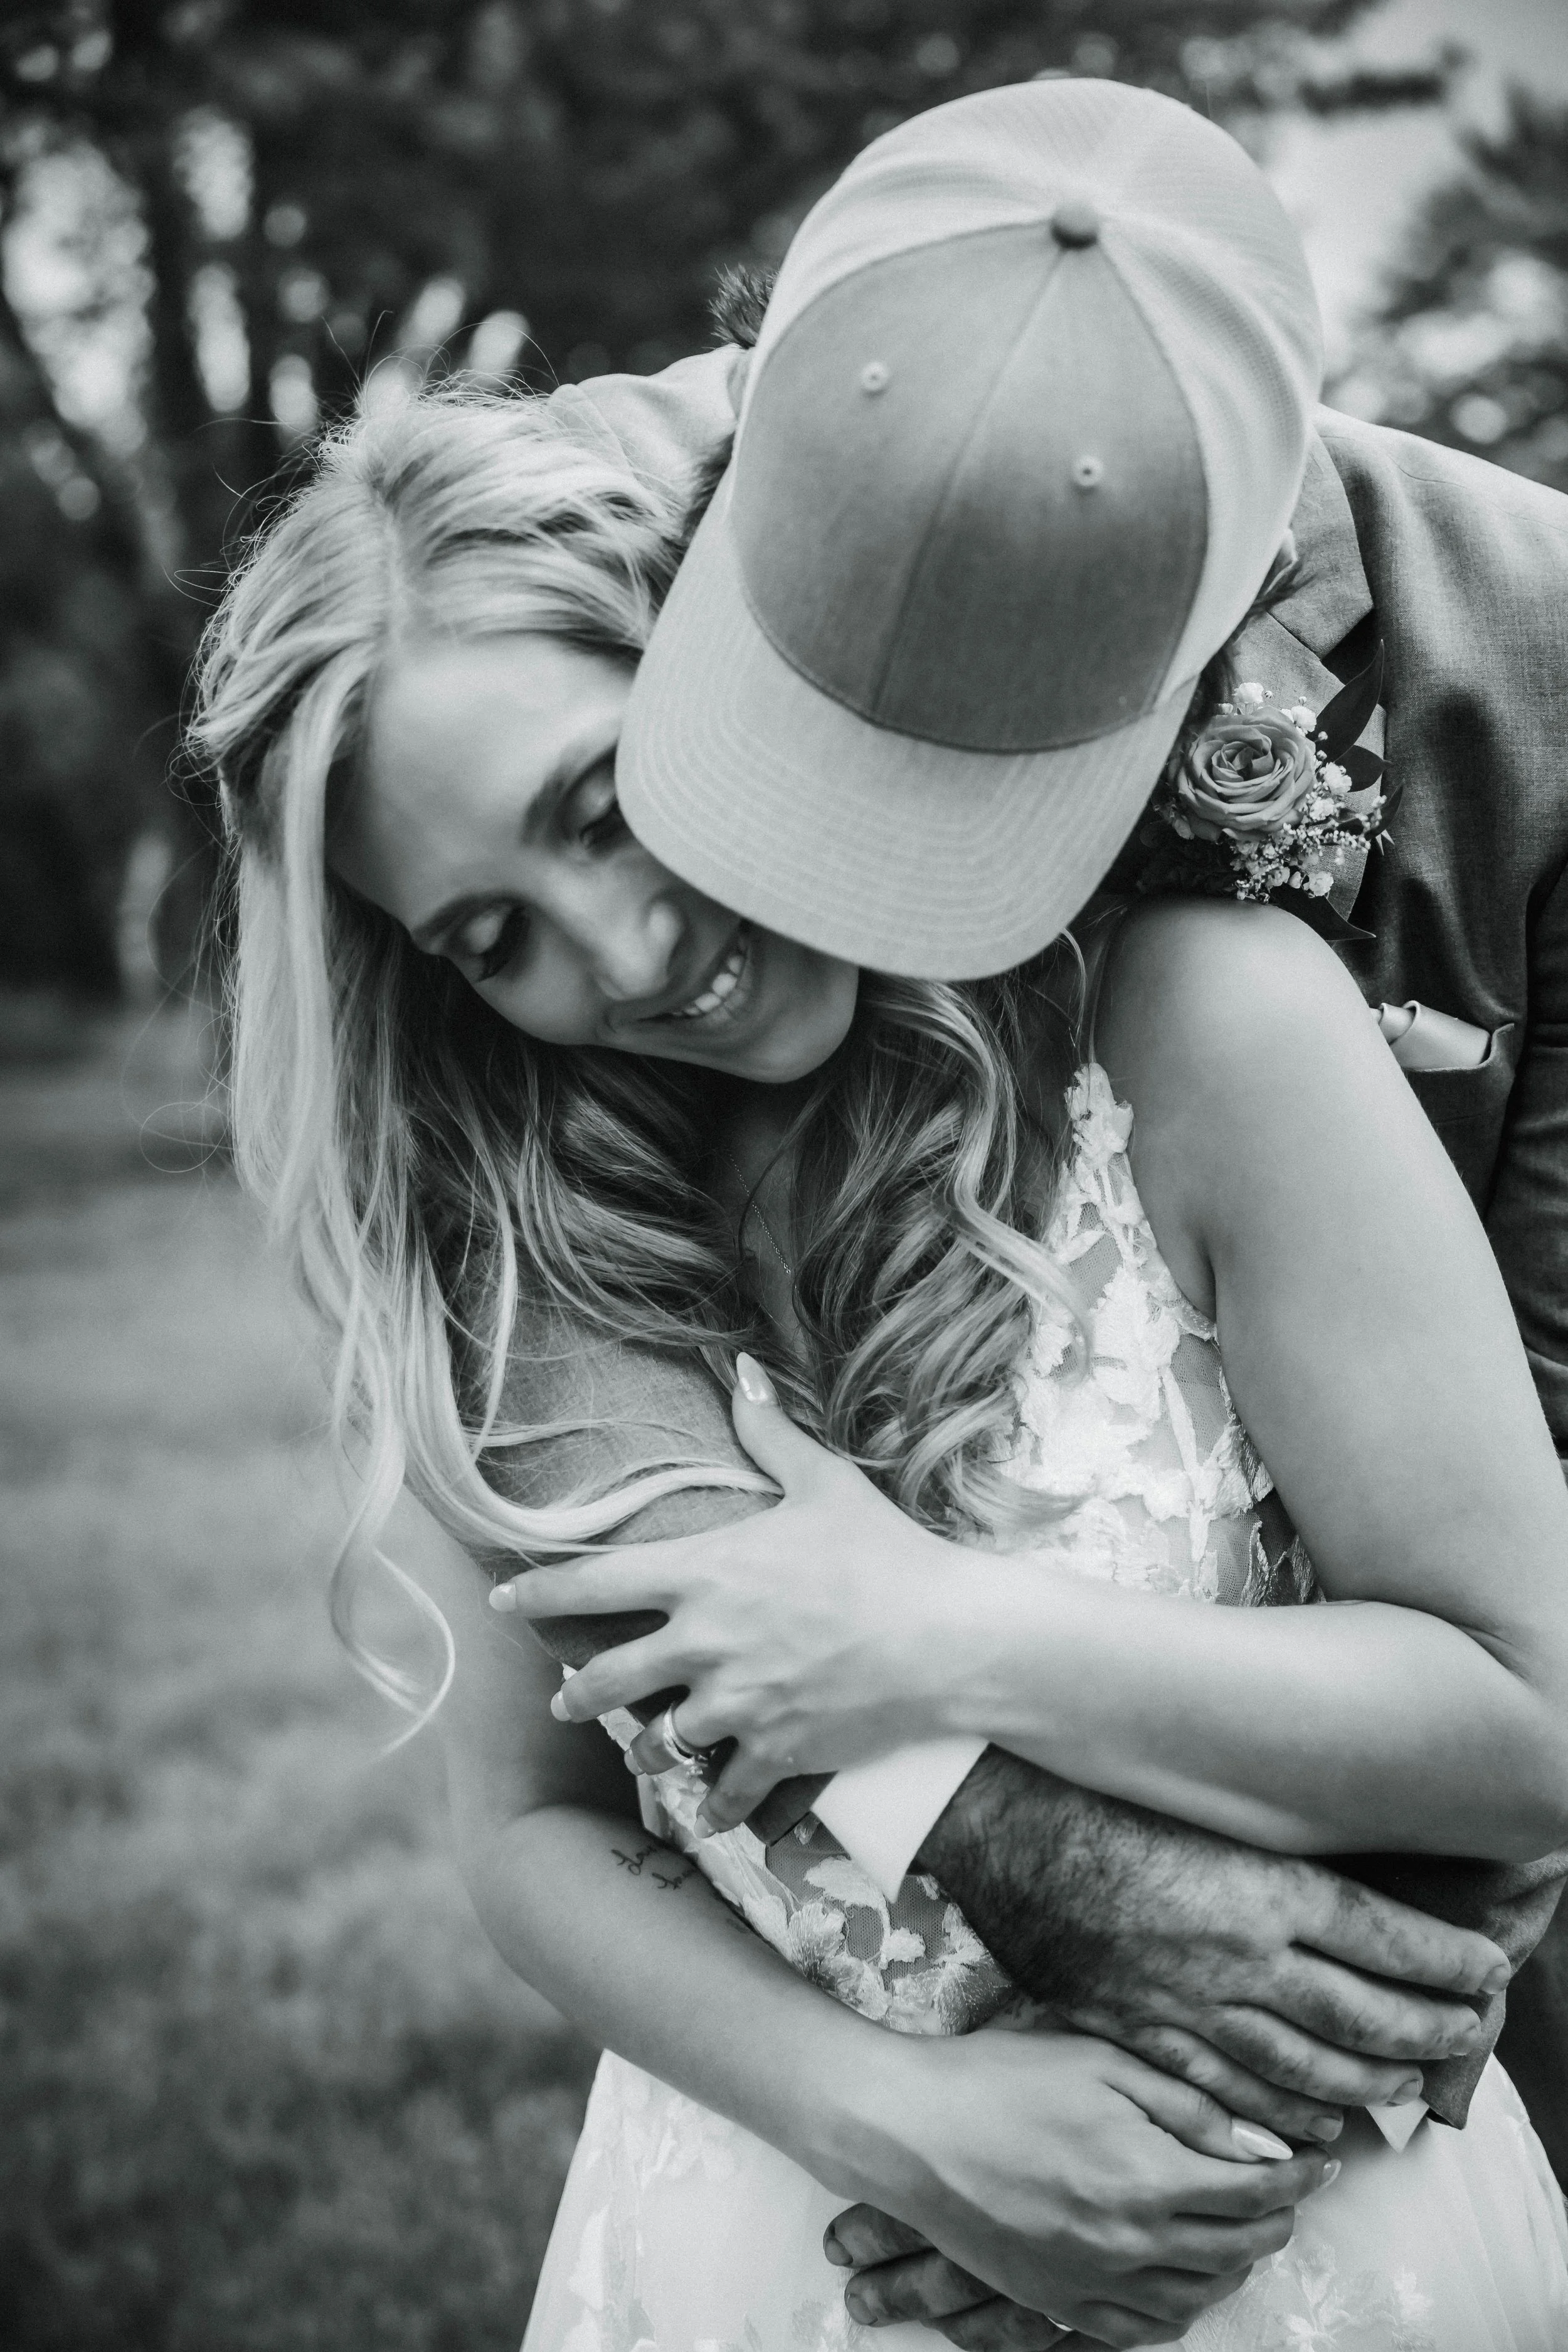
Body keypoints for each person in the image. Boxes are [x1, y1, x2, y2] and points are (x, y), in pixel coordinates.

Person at [188, 79, 1568, 2348]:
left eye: (599, 805)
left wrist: (925, 1639)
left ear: (748, 659)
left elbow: (1524, 1713)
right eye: (483, 935)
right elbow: (529, 1827)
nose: (614, 962)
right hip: (768, 2227)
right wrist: (880, 2118)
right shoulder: (522, 1216)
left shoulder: (1209, 1017)